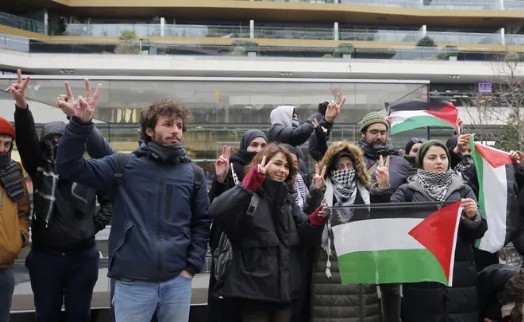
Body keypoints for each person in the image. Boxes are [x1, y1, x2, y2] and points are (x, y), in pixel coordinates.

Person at [55, 97, 210, 322]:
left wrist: (191, 268)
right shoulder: (123, 165)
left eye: (179, 125)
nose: (176, 130)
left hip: (177, 282)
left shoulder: (193, 173)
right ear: (149, 130)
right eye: (168, 124)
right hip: (132, 282)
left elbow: (201, 222)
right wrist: (79, 124)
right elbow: (68, 167)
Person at [8, 70, 113, 322]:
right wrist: (21, 105)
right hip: (45, 258)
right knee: (46, 316)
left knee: (79, 315)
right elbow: (25, 140)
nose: (56, 143)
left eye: (61, 138)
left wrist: (92, 226)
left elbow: (111, 201)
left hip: (82, 257)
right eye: (51, 139)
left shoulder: (89, 170)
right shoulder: (39, 168)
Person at [209, 143, 326, 322]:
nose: (282, 170)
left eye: (286, 166)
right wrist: (247, 186)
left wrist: (314, 221)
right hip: (253, 295)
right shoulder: (248, 197)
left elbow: (302, 236)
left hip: (285, 293)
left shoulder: (287, 201)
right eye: (277, 164)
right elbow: (217, 211)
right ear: (262, 162)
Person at [391, 140, 488, 322]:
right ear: (421, 162)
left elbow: (479, 231)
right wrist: (381, 189)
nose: (439, 162)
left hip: (460, 277)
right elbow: (390, 224)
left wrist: (473, 217)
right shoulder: (407, 192)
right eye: (432, 157)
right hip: (421, 274)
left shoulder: (464, 190)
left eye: (443, 157)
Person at [305, 140, 390, 322]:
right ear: (331, 168)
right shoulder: (321, 190)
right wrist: (315, 191)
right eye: (340, 166)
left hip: (362, 269)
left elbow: (381, 224)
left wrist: (382, 189)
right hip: (328, 272)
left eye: (349, 165)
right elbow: (307, 223)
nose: (345, 169)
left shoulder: (366, 191)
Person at [208, 129, 267, 322]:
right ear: (245, 146)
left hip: (256, 245)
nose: (258, 149)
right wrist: (220, 179)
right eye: (254, 145)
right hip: (229, 245)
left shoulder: (267, 168)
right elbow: (214, 205)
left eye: (263, 145)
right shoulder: (231, 166)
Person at [0, 117, 30, 322]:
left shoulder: (14, 171)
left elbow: (23, 212)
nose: (2, 149)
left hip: (5, 267)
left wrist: (19, 239)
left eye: (7, 144)